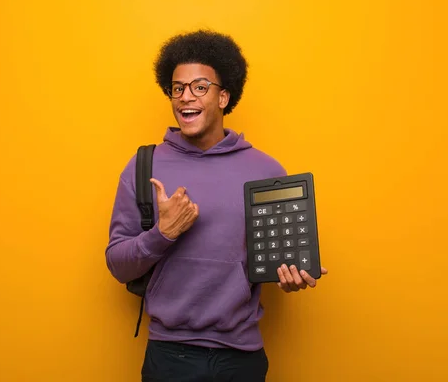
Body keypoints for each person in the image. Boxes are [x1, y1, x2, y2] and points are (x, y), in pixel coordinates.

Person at [105, 29, 327, 382]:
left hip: (240, 358)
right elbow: (118, 266)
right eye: (177, 88)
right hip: (168, 355)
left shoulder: (266, 171)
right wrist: (162, 234)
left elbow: (277, 257)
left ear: (224, 96)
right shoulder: (143, 166)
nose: (185, 97)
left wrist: (291, 274)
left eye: (199, 87)